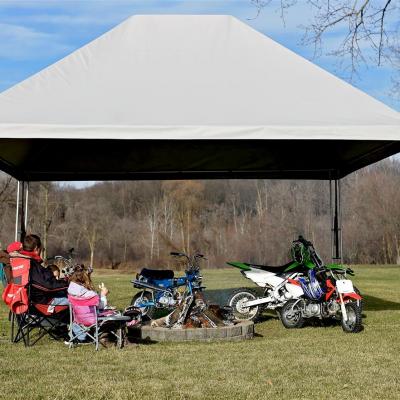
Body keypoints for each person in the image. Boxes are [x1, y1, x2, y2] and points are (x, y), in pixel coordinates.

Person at [21, 234, 68, 306]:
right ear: (36, 248)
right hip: (42, 301)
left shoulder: (22, 262)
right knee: (76, 300)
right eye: (41, 248)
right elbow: (48, 286)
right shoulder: (32, 264)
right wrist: (67, 283)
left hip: (29, 297)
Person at [67, 265, 109, 342]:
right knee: (113, 314)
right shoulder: (91, 294)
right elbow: (101, 306)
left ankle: (79, 336)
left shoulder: (70, 291)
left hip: (78, 319)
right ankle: (101, 336)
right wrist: (103, 295)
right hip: (92, 319)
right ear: (85, 278)